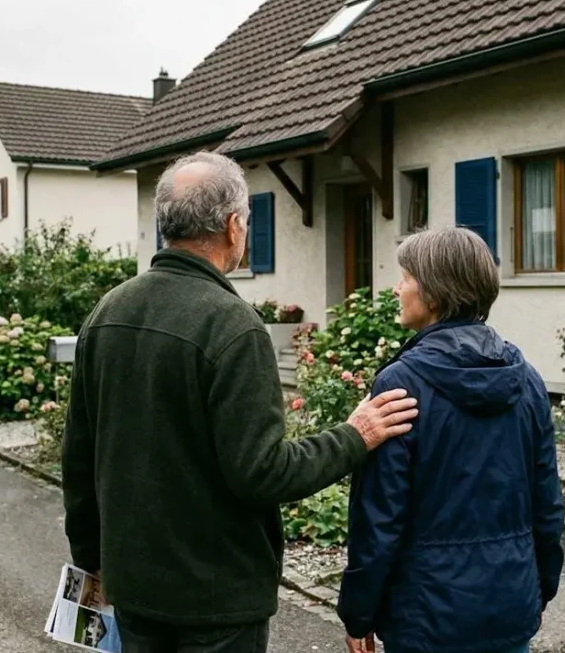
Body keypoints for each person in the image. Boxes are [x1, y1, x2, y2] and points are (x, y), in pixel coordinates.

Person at [62, 151, 420, 653]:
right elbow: (262, 472)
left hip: (134, 589)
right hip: (216, 603)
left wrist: (90, 557)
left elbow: (78, 457)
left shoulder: (108, 311)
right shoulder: (233, 325)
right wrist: (353, 436)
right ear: (233, 226)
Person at [336, 226, 565, 653]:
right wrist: (540, 588)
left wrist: (358, 612)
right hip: (510, 606)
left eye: (405, 279)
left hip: (426, 620)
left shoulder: (400, 384)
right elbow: (547, 503)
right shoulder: (527, 379)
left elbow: (379, 519)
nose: (397, 289)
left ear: (434, 294)